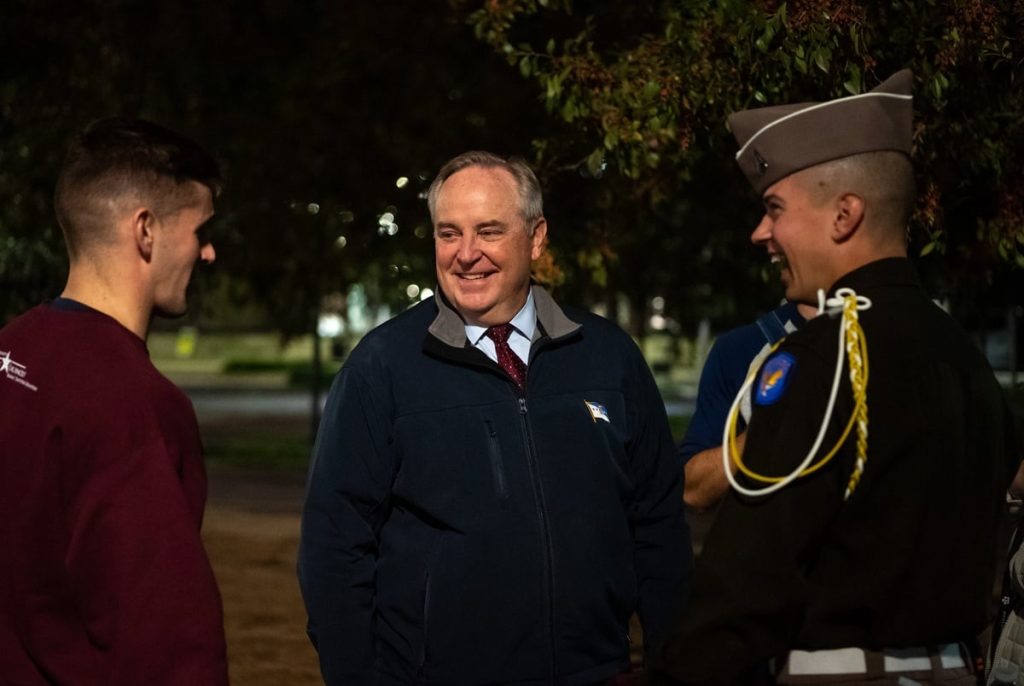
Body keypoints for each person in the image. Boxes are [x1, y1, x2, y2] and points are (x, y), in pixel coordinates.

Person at [648, 70, 1018, 685]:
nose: (760, 234)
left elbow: (745, 583)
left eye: (775, 209)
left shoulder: (827, 356)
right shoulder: (961, 354)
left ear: (844, 214)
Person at [298, 150, 691, 685]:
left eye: (488, 231)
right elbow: (334, 548)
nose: (466, 254)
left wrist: (673, 662)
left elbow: (659, 525)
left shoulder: (608, 356)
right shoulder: (381, 366)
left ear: (536, 238)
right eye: (448, 233)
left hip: (598, 673)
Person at [0, 117, 228, 684]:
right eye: (199, 228)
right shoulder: (136, 404)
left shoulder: (9, 352)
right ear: (145, 230)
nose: (207, 253)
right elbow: (166, 638)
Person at [681, 301, 815, 512]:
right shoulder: (743, 348)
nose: (775, 265)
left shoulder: (877, 337)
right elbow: (692, 490)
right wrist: (765, 426)